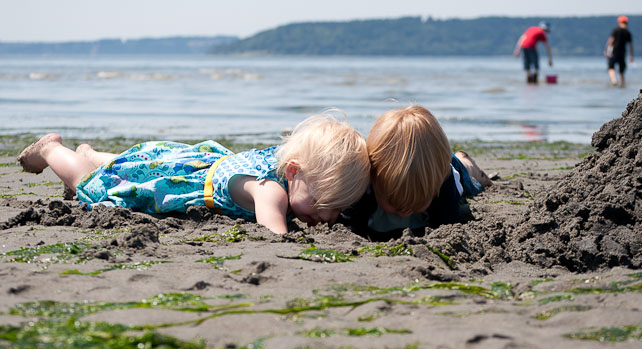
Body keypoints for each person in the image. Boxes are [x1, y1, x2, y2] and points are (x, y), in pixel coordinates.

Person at [16, 112, 370, 234]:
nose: (328, 216)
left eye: (338, 208)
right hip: (178, 183)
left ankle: (90, 153)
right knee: (93, 186)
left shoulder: (288, 165)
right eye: (324, 203)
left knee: (133, 166)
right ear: (293, 171)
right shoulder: (272, 192)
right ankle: (52, 149)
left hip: (184, 162)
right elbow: (274, 232)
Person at [340, 105, 493, 241]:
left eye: (417, 204)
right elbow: (349, 222)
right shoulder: (365, 180)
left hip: (451, 166)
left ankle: (465, 160)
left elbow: (448, 225)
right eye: (395, 204)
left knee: (471, 180)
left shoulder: (445, 182)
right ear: (373, 178)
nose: (405, 213)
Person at [605, 15, 634, 87]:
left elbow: (610, 41)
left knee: (611, 67)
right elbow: (631, 45)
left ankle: (614, 81)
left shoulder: (616, 30)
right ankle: (622, 84)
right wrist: (631, 55)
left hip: (614, 52)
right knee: (622, 70)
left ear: (619, 22)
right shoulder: (628, 32)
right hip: (622, 53)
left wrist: (606, 51)